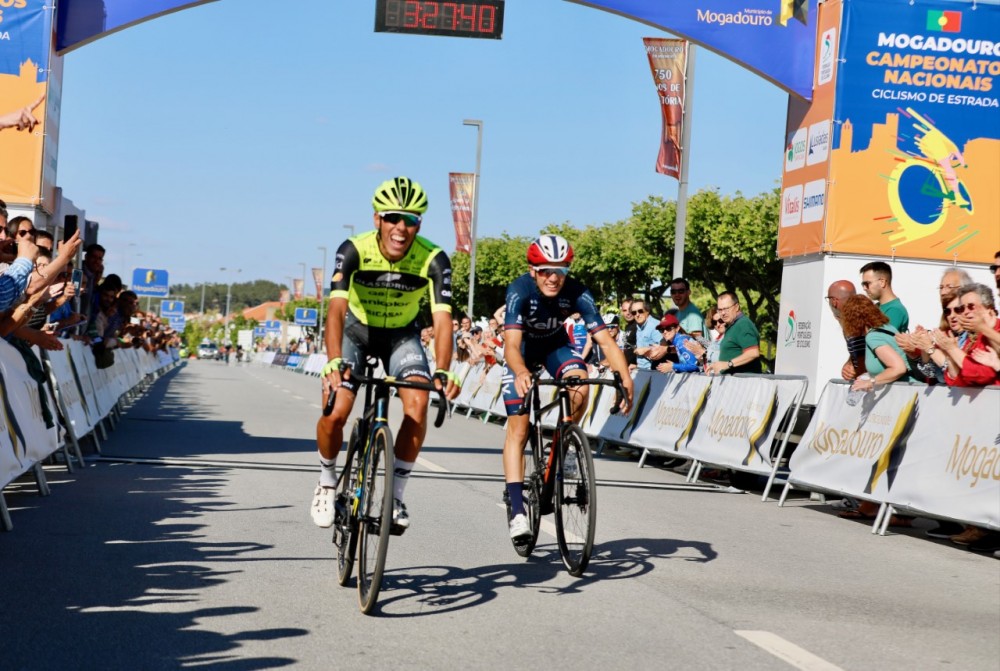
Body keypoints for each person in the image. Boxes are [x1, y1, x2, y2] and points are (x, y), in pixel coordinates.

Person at [313, 177, 460, 534]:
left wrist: (443, 369)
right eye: (394, 217)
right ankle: (327, 480)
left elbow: (443, 320)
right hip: (356, 331)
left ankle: (394, 497)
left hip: (401, 336)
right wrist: (333, 361)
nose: (401, 228)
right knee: (337, 410)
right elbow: (335, 311)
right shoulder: (353, 250)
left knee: (418, 406)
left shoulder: (433, 258)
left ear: (419, 224)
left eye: (410, 220)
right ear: (378, 219)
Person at [500, 234, 633, 540]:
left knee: (581, 384)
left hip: (554, 348)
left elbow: (605, 340)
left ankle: (563, 443)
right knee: (519, 428)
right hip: (521, 353)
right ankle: (518, 509)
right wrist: (519, 370)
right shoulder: (518, 291)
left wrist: (623, 377)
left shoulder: (577, 292)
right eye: (546, 270)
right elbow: (510, 345)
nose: (554, 277)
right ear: (533, 270)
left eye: (561, 270)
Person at [706, 292, 762, 375]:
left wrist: (727, 364)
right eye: (720, 310)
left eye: (726, 309)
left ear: (736, 307)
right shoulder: (732, 326)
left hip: (746, 384)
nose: (723, 313)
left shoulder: (743, 324)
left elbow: (753, 353)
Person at [826, 280, 866, 381]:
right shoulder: (854, 318)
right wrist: (850, 363)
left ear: (834, 301)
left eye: (828, 299)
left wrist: (856, 372)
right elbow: (859, 352)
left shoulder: (855, 322)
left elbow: (865, 355)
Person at [860, 261, 909, 332]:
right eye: (863, 284)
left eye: (867, 284)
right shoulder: (877, 307)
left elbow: (879, 340)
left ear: (882, 282)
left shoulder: (895, 310)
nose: (864, 288)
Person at [630, 299, 660, 371]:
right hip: (642, 369)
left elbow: (663, 348)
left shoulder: (655, 325)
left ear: (647, 311)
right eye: (634, 312)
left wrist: (646, 349)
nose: (637, 314)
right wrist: (637, 366)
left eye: (640, 311)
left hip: (654, 371)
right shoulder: (639, 326)